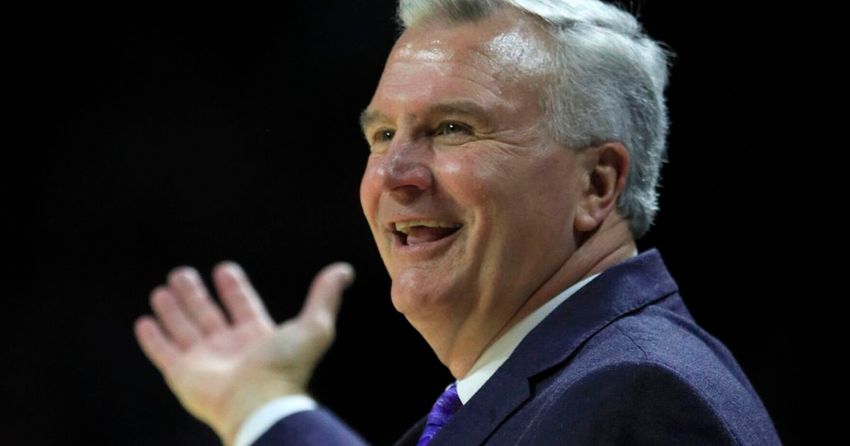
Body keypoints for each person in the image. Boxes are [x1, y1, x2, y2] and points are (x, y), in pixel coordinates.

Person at [134, 0, 782, 444]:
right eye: (383, 134)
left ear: (597, 184)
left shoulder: (634, 399)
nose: (395, 175)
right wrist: (262, 405)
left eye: (452, 129)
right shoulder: (585, 380)